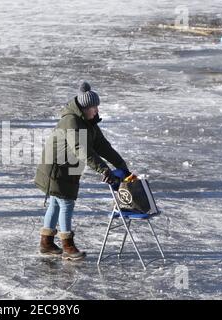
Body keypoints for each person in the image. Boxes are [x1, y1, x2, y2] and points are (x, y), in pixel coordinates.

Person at [34, 81, 132, 260]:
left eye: (97, 107)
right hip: (57, 167)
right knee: (65, 203)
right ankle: (68, 247)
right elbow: (81, 149)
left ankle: (46, 243)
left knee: (56, 202)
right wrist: (103, 169)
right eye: (93, 107)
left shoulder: (89, 122)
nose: (96, 111)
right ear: (84, 107)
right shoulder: (71, 121)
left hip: (67, 167)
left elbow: (103, 146)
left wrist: (121, 165)